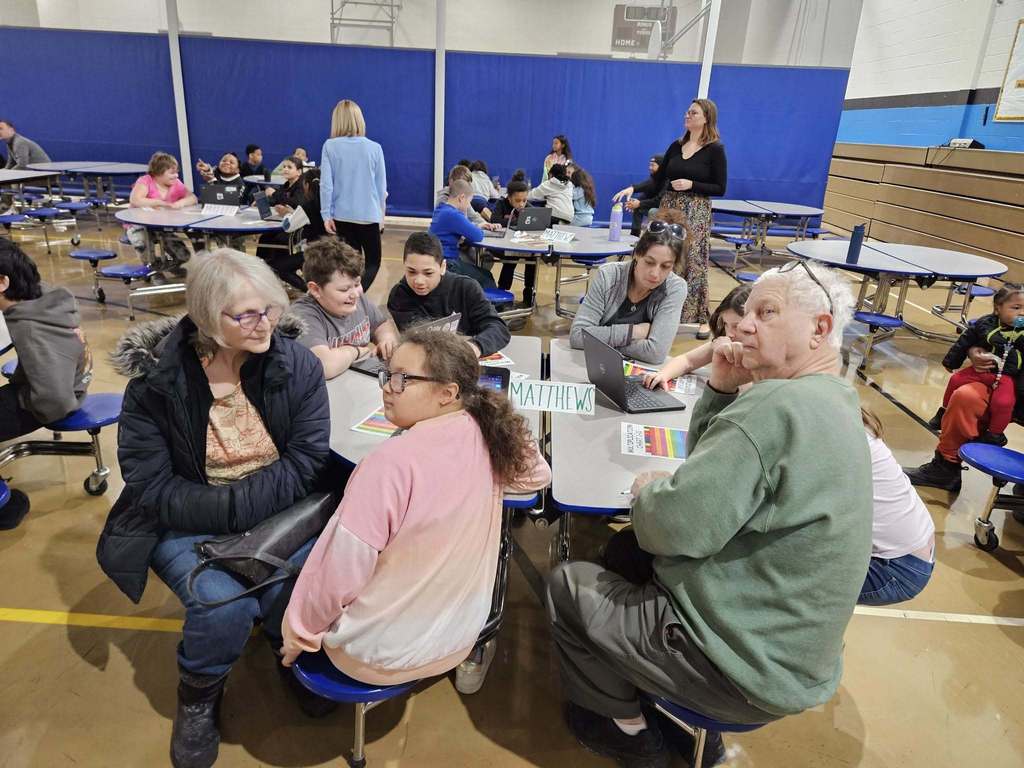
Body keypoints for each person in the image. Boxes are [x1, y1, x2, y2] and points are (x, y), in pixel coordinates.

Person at [547, 261, 871, 767]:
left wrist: (648, 492)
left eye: (767, 313)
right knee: (623, 552)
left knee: (569, 584)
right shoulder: (834, 400)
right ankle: (646, 689)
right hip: (789, 654)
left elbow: (671, 529)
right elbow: (712, 477)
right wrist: (720, 389)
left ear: (819, 329)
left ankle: (627, 735)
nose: (743, 325)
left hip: (737, 667)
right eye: (748, 313)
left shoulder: (775, 408)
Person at [96, 250, 331, 768]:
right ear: (205, 317)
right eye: (245, 315)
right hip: (185, 520)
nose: (264, 323)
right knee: (222, 603)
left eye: (269, 308)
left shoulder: (297, 366)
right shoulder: (156, 384)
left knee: (301, 580)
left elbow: (307, 460)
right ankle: (199, 693)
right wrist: (230, 514)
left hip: (280, 510)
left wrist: (248, 514)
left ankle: (286, 651)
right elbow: (151, 485)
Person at [282, 328, 551, 692]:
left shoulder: (389, 464)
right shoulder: (486, 436)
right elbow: (537, 475)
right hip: (458, 639)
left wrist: (298, 635)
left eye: (403, 379)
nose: (388, 386)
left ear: (447, 393)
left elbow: (337, 572)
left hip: (376, 656)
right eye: (388, 374)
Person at [614, 99, 727, 339]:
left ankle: (700, 318)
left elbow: (720, 187)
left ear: (706, 118)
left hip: (695, 210)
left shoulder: (715, 149)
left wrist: (692, 184)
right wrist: (633, 188)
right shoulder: (676, 146)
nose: (687, 115)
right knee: (661, 257)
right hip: (670, 207)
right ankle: (655, 311)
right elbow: (658, 180)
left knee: (693, 262)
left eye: (693, 112)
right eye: (687, 111)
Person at [906, 286, 1024, 492]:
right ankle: (945, 467)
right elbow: (977, 336)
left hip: (1014, 385)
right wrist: (975, 351)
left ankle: (996, 437)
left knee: (1002, 401)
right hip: (1007, 380)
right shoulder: (993, 324)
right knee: (965, 396)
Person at [0, 238, 91, 441]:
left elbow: (56, 402)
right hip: (71, 382)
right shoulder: (42, 295)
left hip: (55, 401)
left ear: (2, 282)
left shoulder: (30, 330)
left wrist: (26, 399)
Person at [569, 224, 687, 365]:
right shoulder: (608, 275)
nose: (655, 274)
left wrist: (598, 338)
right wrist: (633, 332)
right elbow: (577, 336)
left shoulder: (675, 288)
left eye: (665, 266)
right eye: (649, 262)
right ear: (637, 254)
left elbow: (656, 353)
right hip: (590, 364)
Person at [926, 284, 1024, 447]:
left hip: (1006, 376)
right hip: (982, 370)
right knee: (956, 380)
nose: (1022, 313)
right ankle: (943, 412)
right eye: (1016, 308)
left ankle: (994, 435)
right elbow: (965, 340)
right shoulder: (985, 323)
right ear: (998, 308)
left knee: (1004, 402)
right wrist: (952, 361)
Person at [290, 238, 399, 379]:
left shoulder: (356, 299)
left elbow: (381, 325)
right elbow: (324, 366)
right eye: (344, 289)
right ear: (316, 289)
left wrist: (386, 339)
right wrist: (355, 351)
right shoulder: (302, 316)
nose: (355, 294)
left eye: (357, 283)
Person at [388, 232, 510, 357]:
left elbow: (498, 328)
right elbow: (420, 344)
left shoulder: (466, 288)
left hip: (467, 359)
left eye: (428, 273)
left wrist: (475, 346)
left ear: (443, 267)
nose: (419, 281)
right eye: (411, 272)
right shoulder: (399, 296)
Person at [859, 408, 935, 606]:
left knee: (779, 585)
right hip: (916, 551)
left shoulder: (825, 434)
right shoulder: (846, 414)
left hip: (895, 568)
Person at [320, 99, 388, 292]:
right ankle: (358, 294)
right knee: (373, 261)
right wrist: (381, 216)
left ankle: (351, 295)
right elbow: (381, 187)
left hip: (342, 215)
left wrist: (326, 214)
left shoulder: (330, 146)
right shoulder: (375, 148)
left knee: (349, 264)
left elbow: (326, 185)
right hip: (369, 215)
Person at [643, 282, 749, 390]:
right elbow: (688, 360)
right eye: (726, 324)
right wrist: (663, 375)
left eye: (736, 326)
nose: (729, 333)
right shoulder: (725, 344)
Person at [126, 152, 199, 279]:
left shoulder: (176, 183)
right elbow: (135, 200)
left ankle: (174, 266)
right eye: (172, 173)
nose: (176, 175)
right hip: (139, 225)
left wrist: (180, 203)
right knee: (142, 243)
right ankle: (152, 269)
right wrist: (159, 202)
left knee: (183, 255)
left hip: (162, 226)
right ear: (158, 173)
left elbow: (193, 198)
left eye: (177, 172)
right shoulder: (145, 181)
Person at [429, 177, 501, 289]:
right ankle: (493, 306)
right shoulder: (453, 214)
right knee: (486, 278)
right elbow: (478, 236)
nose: (468, 206)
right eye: (469, 202)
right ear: (462, 198)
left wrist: (477, 226)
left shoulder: (441, 209)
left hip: (438, 260)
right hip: (448, 263)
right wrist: (477, 227)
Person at [255, 155, 308, 290]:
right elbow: (277, 200)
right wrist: (264, 201)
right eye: (284, 167)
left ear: (299, 171)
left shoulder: (301, 186)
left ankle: (276, 269)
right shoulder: (286, 185)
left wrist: (274, 194)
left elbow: (296, 203)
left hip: (297, 228)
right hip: (283, 223)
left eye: (289, 167)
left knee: (278, 240)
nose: (285, 169)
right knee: (264, 238)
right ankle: (263, 269)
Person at [493, 180, 536, 307]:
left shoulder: (529, 208)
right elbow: (495, 220)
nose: (522, 204)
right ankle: (502, 291)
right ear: (509, 197)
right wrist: (516, 222)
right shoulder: (501, 204)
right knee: (510, 261)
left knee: (533, 261)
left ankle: (529, 293)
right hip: (506, 245)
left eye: (524, 200)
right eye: (518, 200)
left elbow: (537, 221)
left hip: (525, 243)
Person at [628, 155, 664, 237]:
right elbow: (646, 193)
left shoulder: (667, 180)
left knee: (652, 211)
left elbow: (659, 201)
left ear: (661, 167)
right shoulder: (654, 179)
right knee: (637, 207)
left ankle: (651, 238)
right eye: (649, 165)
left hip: (666, 209)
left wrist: (640, 203)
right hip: (655, 205)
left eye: (653, 165)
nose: (650, 167)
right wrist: (634, 203)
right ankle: (634, 235)